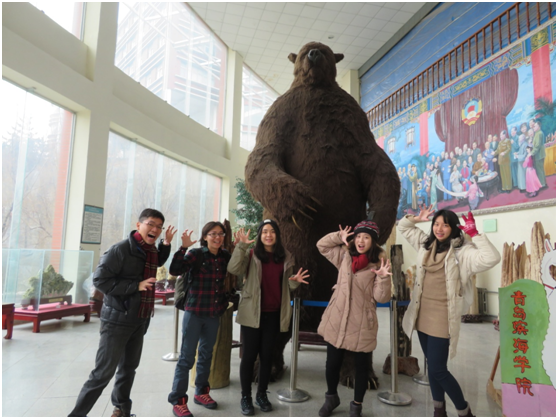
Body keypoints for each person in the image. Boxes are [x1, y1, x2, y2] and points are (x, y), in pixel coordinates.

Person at [69, 209, 176, 417]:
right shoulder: (120, 250)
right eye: (151, 224)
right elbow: (100, 281)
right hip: (117, 320)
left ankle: (122, 409)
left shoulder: (150, 250)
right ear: (139, 225)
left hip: (140, 317)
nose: (155, 229)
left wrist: (166, 245)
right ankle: (77, 415)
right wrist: (135, 285)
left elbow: (156, 263)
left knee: (128, 368)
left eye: (159, 227)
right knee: (103, 373)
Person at [399, 207, 500, 417]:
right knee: (433, 366)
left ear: (454, 228)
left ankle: (464, 410)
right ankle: (439, 409)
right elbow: (403, 226)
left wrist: (475, 234)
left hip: (442, 317)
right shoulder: (425, 244)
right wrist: (416, 218)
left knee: (438, 370)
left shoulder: (463, 252)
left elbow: (491, 258)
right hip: (422, 314)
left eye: (445, 224)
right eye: (436, 223)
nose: (439, 228)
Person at [227, 220, 309, 416]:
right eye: (264, 231)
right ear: (260, 235)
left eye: (272, 231)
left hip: (274, 314)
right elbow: (233, 269)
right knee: (248, 358)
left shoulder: (285, 257)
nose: (268, 235)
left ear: (277, 235)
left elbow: (286, 287)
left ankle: (261, 395)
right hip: (252, 313)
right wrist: (241, 246)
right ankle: (246, 397)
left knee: (267, 357)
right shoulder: (251, 254)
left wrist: (294, 284)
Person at [316, 221, 392, 417]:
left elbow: (381, 297)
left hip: (362, 322)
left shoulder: (379, 264)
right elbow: (321, 246)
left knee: (361, 368)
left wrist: (383, 278)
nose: (361, 240)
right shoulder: (344, 256)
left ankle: (356, 405)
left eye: (366, 237)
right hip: (338, 317)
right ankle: (331, 397)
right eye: (358, 236)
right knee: (332, 363)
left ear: (373, 242)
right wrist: (338, 237)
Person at [168, 221, 233, 417]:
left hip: (213, 313)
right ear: (205, 237)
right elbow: (175, 270)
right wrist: (183, 247)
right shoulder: (195, 254)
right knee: (187, 357)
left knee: (206, 354)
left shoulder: (225, 257)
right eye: (213, 234)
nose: (217, 237)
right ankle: (178, 400)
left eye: (220, 234)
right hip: (194, 313)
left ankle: (201, 393)